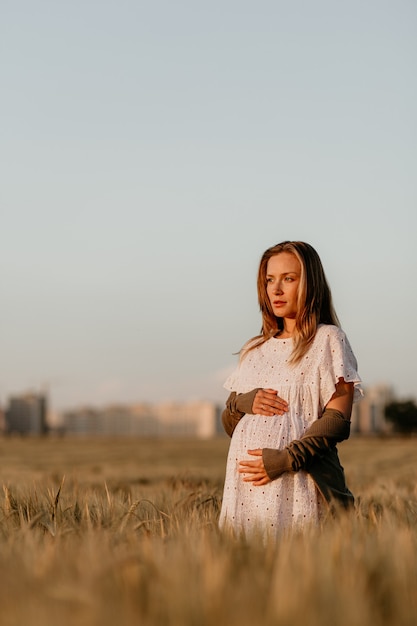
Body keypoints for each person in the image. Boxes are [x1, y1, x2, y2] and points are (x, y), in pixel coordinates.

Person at [219, 241, 363, 537]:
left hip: (299, 478)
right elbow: (230, 424)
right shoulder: (254, 348)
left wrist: (285, 459)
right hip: (246, 485)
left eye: (289, 278)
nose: (276, 289)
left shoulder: (328, 340)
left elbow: (337, 423)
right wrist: (242, 403)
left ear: (310, 283)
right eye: (270, 280)